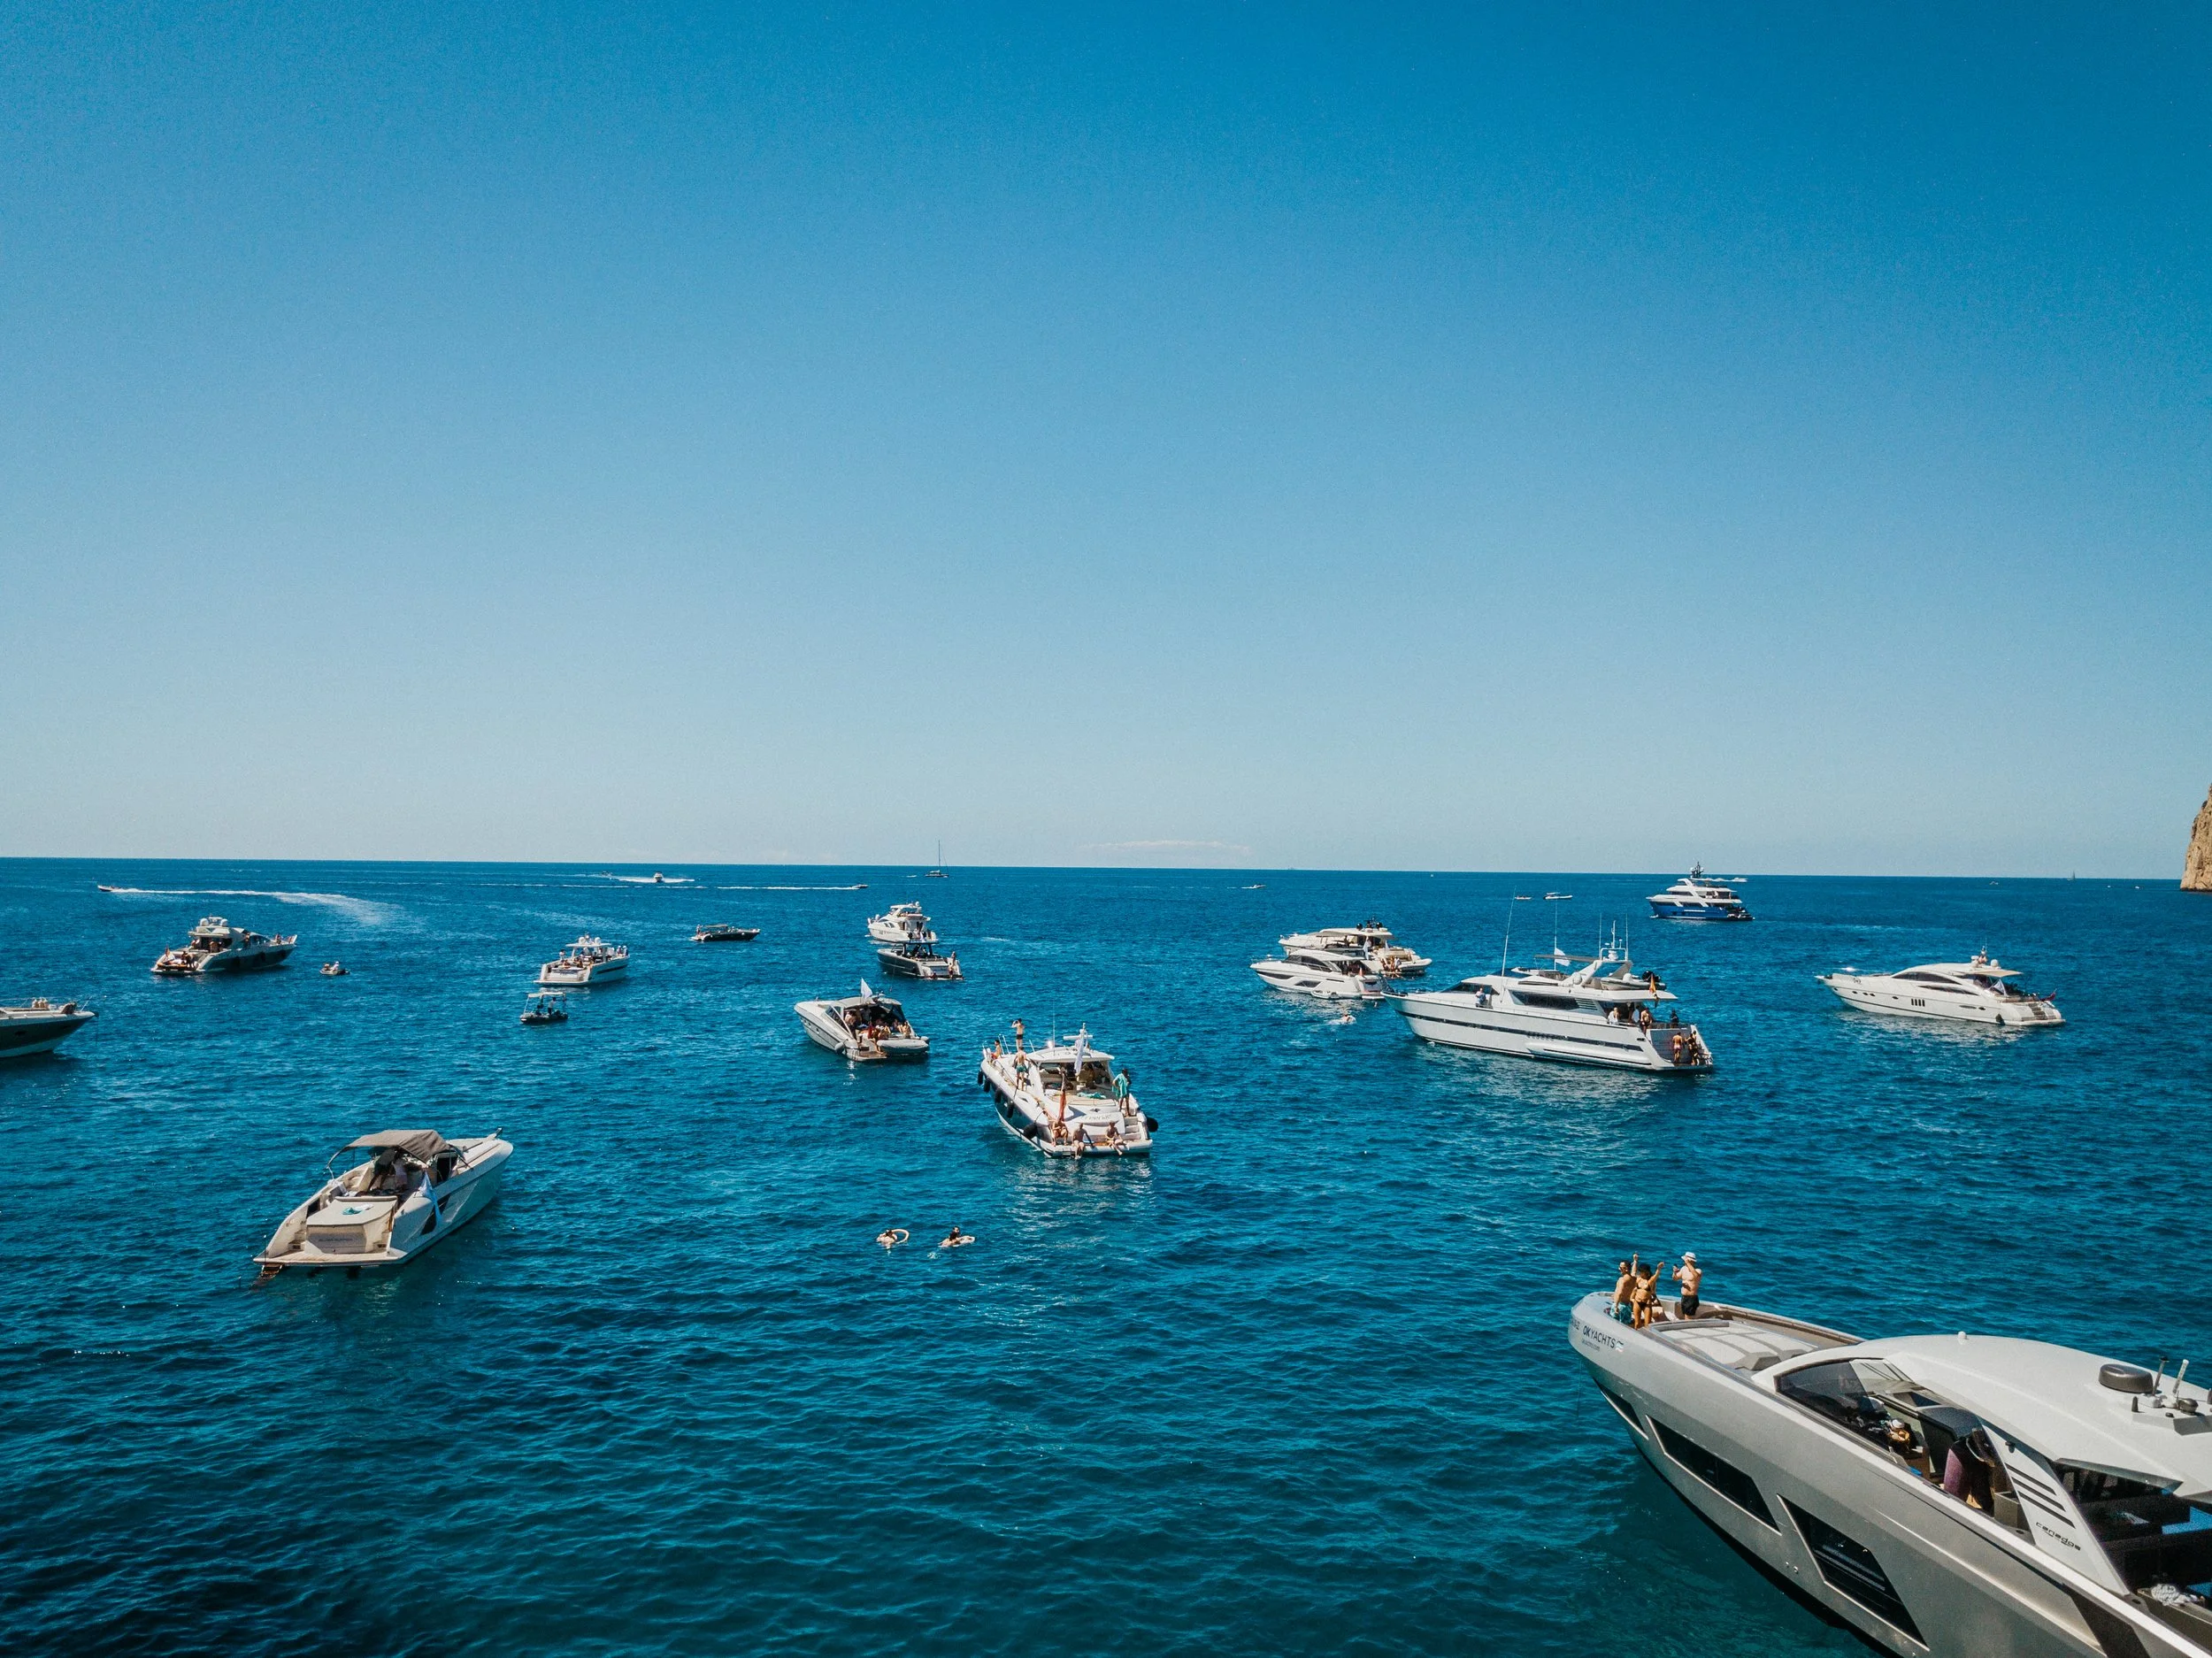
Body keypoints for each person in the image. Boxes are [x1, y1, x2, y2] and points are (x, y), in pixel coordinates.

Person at [1672, 1252, 1703, 1319]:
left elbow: (1696, 1276)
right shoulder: (1684, 1268)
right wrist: (1674, 1272)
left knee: (1688, 1317)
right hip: (1684, 1297)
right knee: (1686, 1316)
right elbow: (1675, 1278)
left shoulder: (1698, 1270)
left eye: (1685, 1260)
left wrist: (1688, 1263)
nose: (1684, 1262)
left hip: (1691, 1298)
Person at [1611, 1256, 1639, 1324]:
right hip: (1627, 1306)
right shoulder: (1633, 1279)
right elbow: (1634, 1272)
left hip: (1619, 1306)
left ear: (1626, 1269)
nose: (1619, 1269)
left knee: (1614, 1325)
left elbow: (1620, 1293)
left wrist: (1616, 1307)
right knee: (1626, 1326)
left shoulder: (1622, 1280)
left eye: (1620, 1268)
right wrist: (1635, 1261)